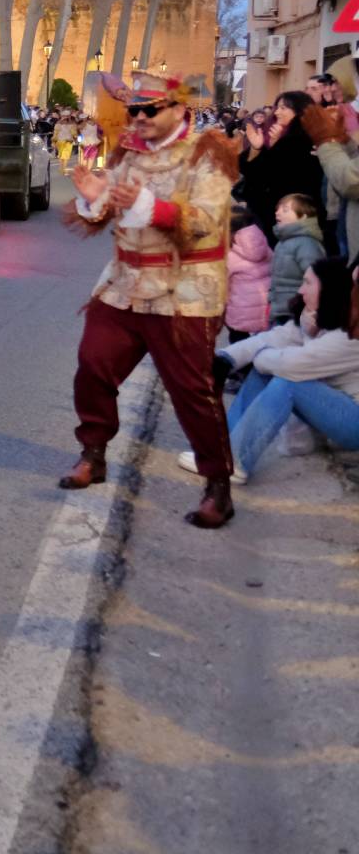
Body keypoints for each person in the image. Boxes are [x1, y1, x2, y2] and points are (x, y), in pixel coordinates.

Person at [60, 70, 238, 528]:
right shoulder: (128, 153)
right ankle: (93, 454)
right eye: (132, 110)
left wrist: (146, 207)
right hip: (124, 285)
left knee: (192, 391)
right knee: (93, 365)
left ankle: (218, 484)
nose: (137, 118)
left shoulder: (208, 152)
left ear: (180, 110)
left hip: (185, 292)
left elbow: (204, 220)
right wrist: (95, 199)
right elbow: (106, 209)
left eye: (148, 110)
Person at [195, 255, 359, 483]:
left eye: (308, 283)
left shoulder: (350, 336)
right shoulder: (316, 318)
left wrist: (259, 358)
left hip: (354, 421)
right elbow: (275, 337)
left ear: (329, 290)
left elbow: (293, 366)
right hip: (336, 407)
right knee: (267, 370)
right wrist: (226, 359)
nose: (301, 290)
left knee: (287, 381)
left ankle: (236, 461)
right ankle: (220, 451)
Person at [240, 90, 322, 244]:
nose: (277, 112)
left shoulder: (298, 139)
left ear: (299, 110)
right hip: (284, 212)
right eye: (277, 107)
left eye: (283, 108)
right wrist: (258, 148)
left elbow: (263, 174)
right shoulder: (286, 136)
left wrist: (266, 148)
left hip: (292, 213)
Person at [267, 192, 323, 321]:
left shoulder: (306, 243)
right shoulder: (283, 242)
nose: (277, 213)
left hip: (296, 312)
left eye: (285, 210)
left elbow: (316, 279)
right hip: (281, 309)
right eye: (277, 209)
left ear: (302, 217)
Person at [225, 209, 271, 341]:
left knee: (239, 352)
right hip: (265, 313)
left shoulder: (230, 256)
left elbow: (222, 286)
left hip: (240, 317)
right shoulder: (266, 248)